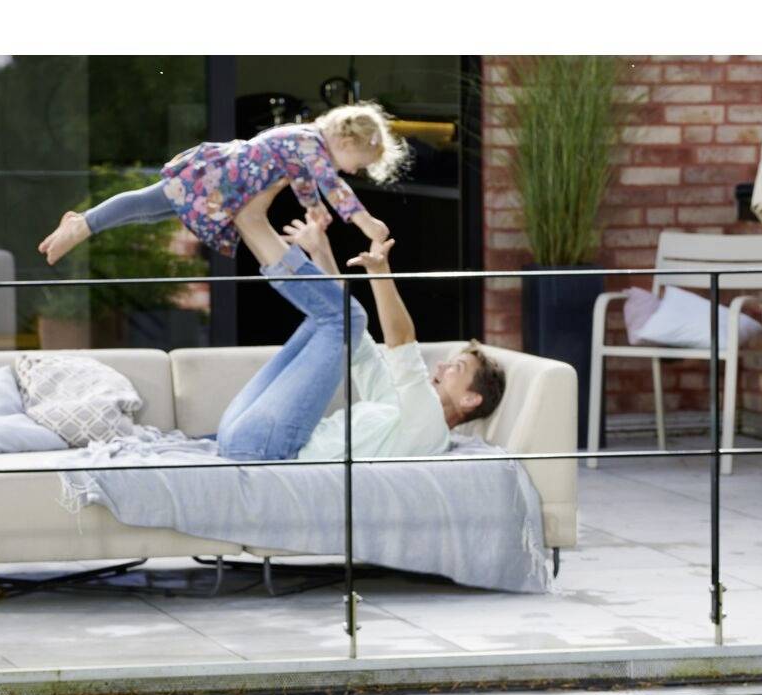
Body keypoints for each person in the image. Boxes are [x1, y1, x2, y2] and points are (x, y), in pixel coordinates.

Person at [213, 203, 503, 464]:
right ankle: (246, 220)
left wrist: (380, 271)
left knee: (347, 318)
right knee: (342, 320)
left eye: (456, 368)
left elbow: (402, 342)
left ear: (470, 399)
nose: (441, 366)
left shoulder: (430, 428)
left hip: (264, 446)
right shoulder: (398, 407)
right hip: (238, 431)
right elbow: (355, 342)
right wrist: (319, 249)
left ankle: (251, 220)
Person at [37, 102, 405, 267]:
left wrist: (313, 207)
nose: (353, 172)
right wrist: (366, 223)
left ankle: (85, 223)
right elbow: (333, 186)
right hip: (217, 178)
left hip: (223, 184)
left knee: (153, 212)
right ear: (346, 142)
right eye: (358, 164)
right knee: (146, 203)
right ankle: (83, 224)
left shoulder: (308, 143)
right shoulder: (312, 142)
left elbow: (305, 179)